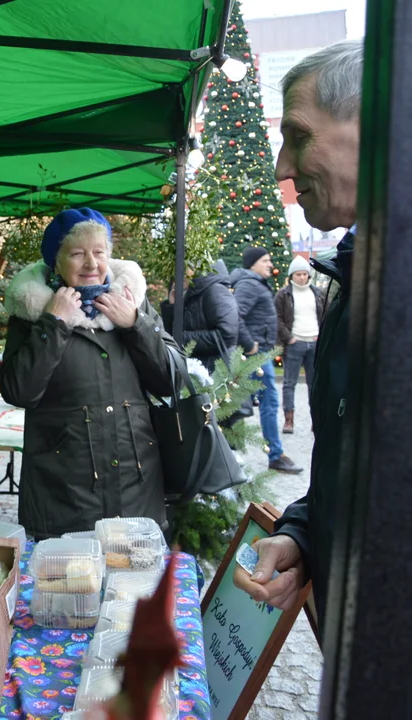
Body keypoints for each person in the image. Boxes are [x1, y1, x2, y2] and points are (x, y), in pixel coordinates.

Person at [233, 39, 362, 627]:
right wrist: (303, 539)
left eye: (299, 135)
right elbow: (351, 466)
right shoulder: (358, 278)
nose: (282, 167)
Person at [0, 208, 177, 539]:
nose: (91, 264)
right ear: (56, 261)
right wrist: (55, 324)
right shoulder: (33, 314)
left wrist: (136, 324)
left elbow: (169, 380)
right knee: (70, 587)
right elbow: (19, 390)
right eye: (77, 254)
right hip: (64, 496)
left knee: (135, 586)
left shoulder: (131, 301)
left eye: (99, 252)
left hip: (135, 490)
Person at [230, 247, 303, 474]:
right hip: (256, 355)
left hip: (260, 353)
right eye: (265, 260)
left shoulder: (254, 282)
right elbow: (235, 315)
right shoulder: (250, 284)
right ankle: (274, 454)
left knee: (242, 404)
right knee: (265, 404)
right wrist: (250, 344)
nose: (270, 264)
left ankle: (241, 456)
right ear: (253, 264)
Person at [160, 258, 239, 372]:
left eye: (182, 269)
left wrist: (180, 338)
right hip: (197, 369)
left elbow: (227, 335)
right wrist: (172, 305)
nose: (176, 274)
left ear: (196, 267)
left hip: (215, 373)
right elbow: (173, 330)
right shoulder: (192, 291)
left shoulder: (215, 290)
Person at [275, 255, 324, 434]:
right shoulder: (283, 295)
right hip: (294, 343)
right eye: (298, 274)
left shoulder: (318, 293)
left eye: (305, 274)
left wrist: (321, 336)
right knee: (289, 383)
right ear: (291, 276)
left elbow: (325, 315)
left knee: (315, 384)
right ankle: (289, 420)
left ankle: (316, 420)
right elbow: (277, 319)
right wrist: (289, 338)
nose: (302, 277)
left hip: (314, 342)